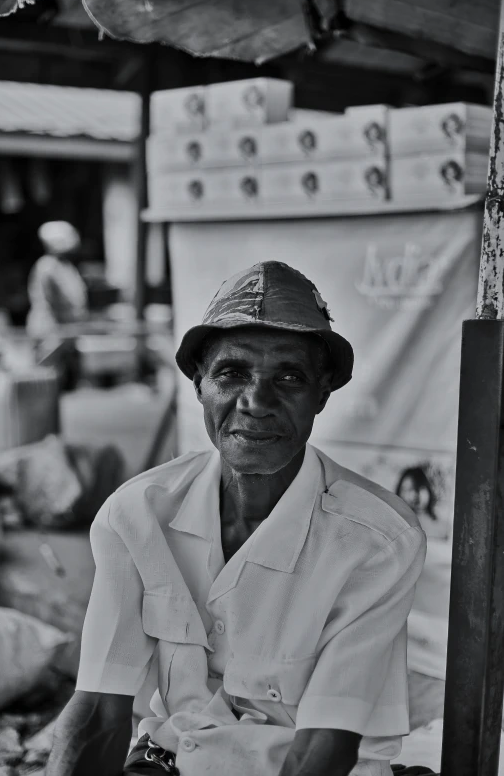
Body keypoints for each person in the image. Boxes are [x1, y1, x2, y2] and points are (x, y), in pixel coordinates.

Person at [46, 262, 426, 776]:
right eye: (231, 373)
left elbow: (325, 747)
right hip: (173, 758)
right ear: (199, 383)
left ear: (323, 393)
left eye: (289, 377)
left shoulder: (379, 540)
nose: (255, 402)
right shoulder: (136, 514)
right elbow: (99, 708)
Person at [26, 221, 88, 339]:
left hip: (65, 329)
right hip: (50, 330)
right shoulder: (47, 266)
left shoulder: (65, 266)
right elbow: (60, 300)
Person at [396, 467, 450, 541]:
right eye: (405, 489)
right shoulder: (397, 527)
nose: (411, 495)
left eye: (415, 488)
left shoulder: (444, 528)